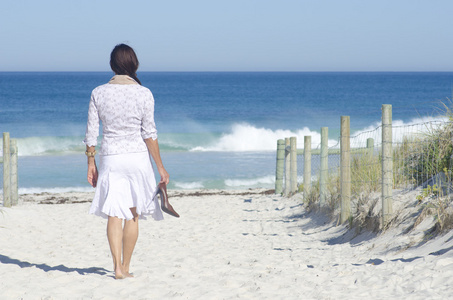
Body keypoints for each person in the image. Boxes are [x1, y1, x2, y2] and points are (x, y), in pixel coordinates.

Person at [84, 43, 169, 279]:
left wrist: (91, 164)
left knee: (114, 213)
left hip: (111, 158)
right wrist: (161, 167)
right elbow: (149, 134)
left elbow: (91, 134)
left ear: (112, 65)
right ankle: (127, 266)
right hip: (137, 159)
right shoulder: (144, 93)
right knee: (133, 213)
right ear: (134, 64)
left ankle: (117, 268)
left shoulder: (98, 92)